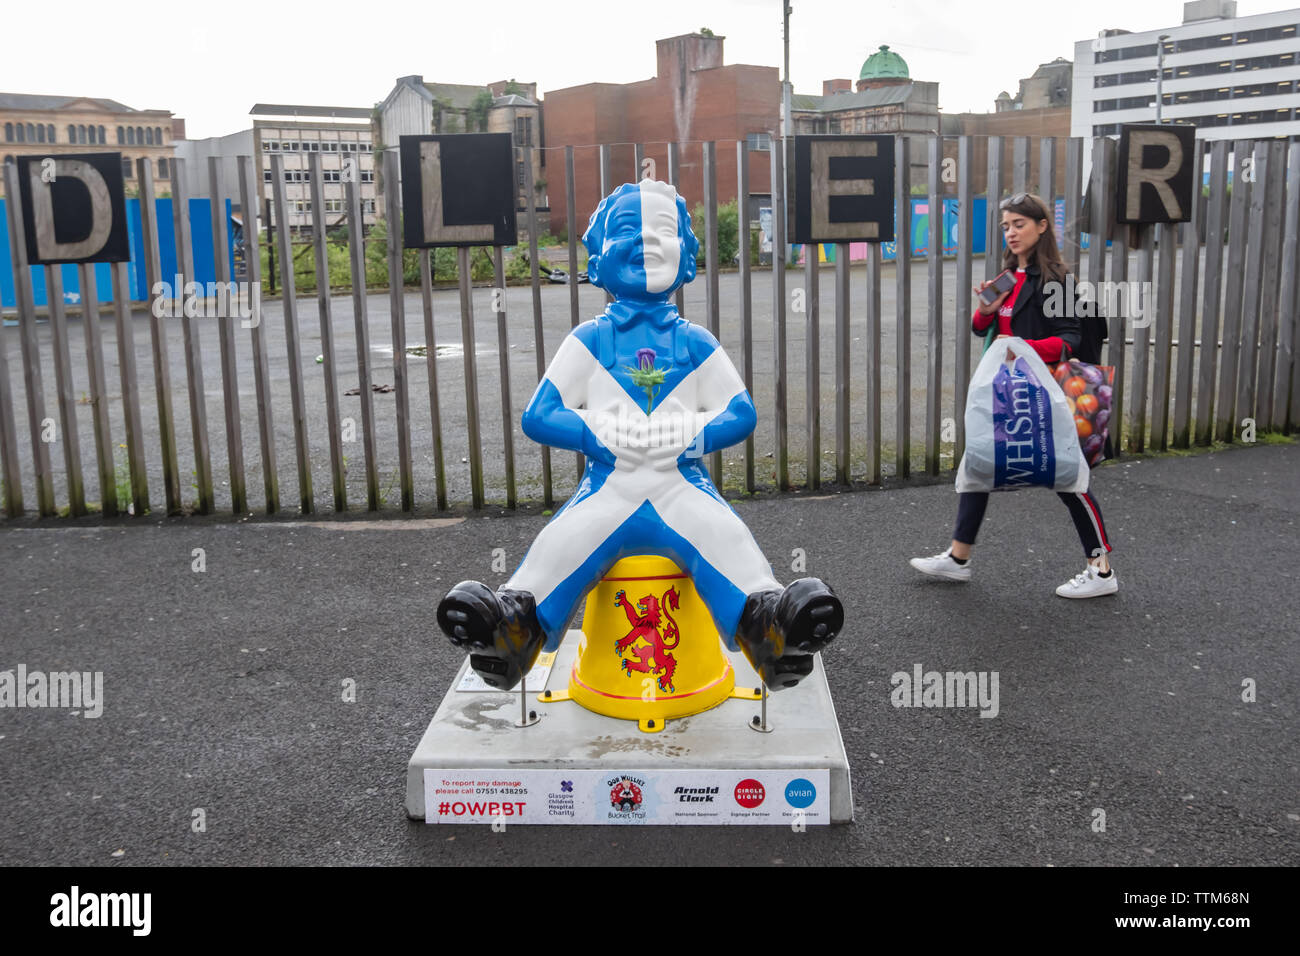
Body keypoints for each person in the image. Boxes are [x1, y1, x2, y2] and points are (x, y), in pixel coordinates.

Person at [436, 180, 843, 691]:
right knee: (559, 542)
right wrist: (594, 432)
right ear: (598, 257)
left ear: (686, 257)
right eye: (628, 229)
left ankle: (771, 627)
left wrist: (695, 435)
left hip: (681, 486)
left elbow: (741, 412)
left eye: (663, 230)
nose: (646, 241)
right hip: (608, 487)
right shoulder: (589, 341)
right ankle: (511, 629)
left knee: (725, 536)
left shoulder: (696, 343)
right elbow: (539, 415)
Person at [909, 192, 1117, 598]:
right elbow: (979, 325)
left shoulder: (1057, 280)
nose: (1011, 232)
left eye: (1019, 224)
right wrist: (989, 308)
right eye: (1006, 226)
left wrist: (1019, 346)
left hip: (1043, 395)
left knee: (1070, 478)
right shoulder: (1008, 276)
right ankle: (958, 558)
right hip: (1008, 390)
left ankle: (1102, 571)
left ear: (1042, 226)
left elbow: (1070, 339)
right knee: (980, 463)